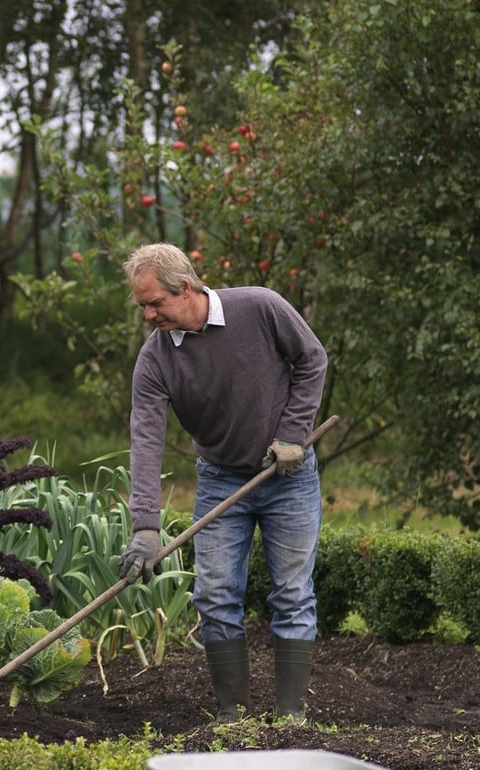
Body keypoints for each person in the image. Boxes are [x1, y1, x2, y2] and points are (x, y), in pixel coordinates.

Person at [116, 242, 328, 723]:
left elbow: (312, 359)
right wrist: (146, 526)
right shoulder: (155, 361)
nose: (148, 315)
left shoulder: (260, 307)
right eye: (142, 305)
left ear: (186, 288)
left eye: (156, 303)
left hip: (288, 475)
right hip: (220, 481)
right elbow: (146, 439)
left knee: (293, 593)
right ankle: (234, 715)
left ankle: (291, 716)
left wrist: (292, 435)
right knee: (213, 594)